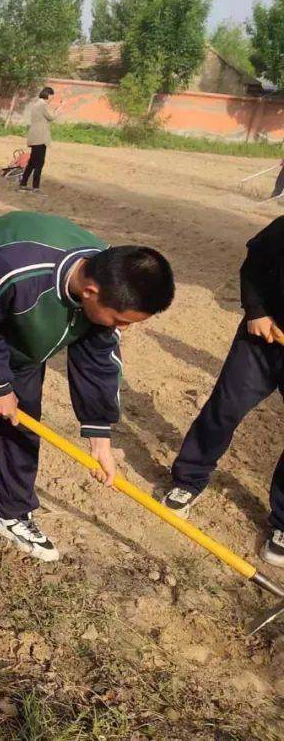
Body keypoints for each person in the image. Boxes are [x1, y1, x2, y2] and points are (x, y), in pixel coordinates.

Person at [0, 211, 174, 561]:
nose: (125, 328)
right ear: (90, 292)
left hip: (30, 331)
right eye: (121, 321)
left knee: (24, 422)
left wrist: (100, 438)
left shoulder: (109, 282)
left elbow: (98, 362)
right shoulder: (15, 269)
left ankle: (13, 512)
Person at [161, 217, 284, 566]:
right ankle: (189, 478)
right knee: (225, 408)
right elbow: (256, 261)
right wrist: (257, 311)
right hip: (264, 337)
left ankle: (283, 522)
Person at [19, 87, 63, 192]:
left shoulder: (36, 105)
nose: (52, 98)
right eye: (52, 95)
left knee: (32, 162)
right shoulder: (43, 105)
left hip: (34, 137)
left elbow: (46, 117)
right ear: (48, 95)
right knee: (39, 163)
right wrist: (60, 109)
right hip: (40, 138)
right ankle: (36, 187)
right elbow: (51, 118)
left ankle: (23, 183)